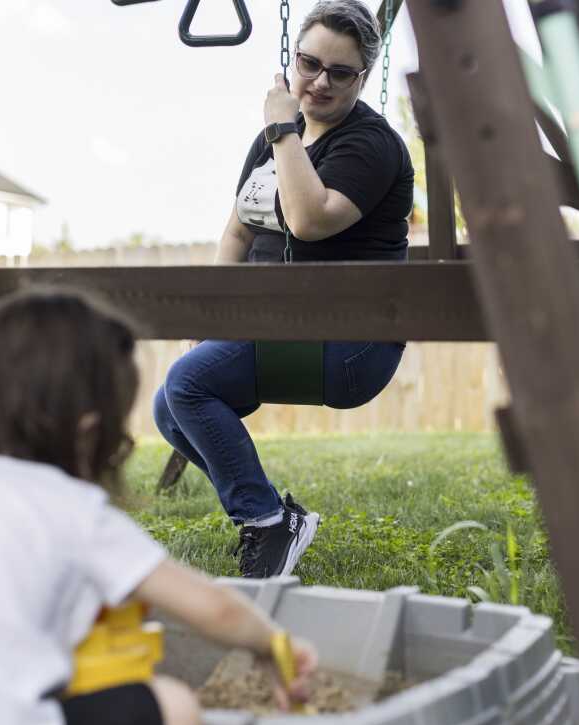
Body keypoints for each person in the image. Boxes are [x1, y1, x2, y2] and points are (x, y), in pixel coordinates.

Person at [0, 288, 316, 725]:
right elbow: (215, 609)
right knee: (174, 705)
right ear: (92, 427)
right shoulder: (73, 510)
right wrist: (271, 645)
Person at [153, 0, 415, 579]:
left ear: (363, 79)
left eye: (339, 72)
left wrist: (282, 128)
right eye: (309, 63)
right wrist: (211, 323)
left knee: (187, 387)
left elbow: (308, 218)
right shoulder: (271, 141)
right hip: (283, 328)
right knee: (170, 406)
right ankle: (272, 516)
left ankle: (267, 524)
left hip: (350, 344)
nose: (319, 81)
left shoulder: (370, 146)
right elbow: (237, 231)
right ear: (292, 61)